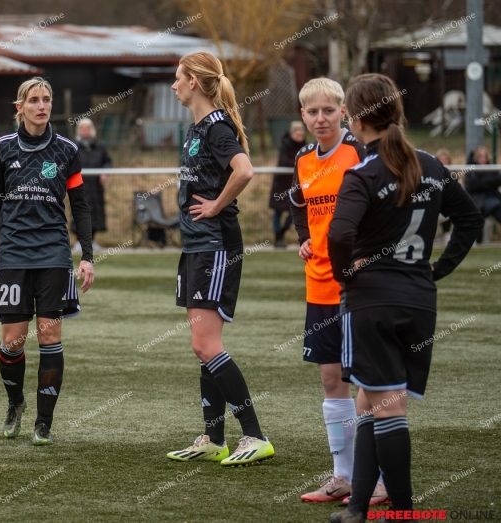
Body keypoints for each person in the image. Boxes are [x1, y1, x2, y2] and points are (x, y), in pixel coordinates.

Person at [329, 74, 483, 523]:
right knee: (369, 401)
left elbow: (340, 233)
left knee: (385, 403)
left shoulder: (362, 172)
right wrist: (436, 270)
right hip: (419, 300)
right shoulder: (432, 164)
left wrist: (345, 276)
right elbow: (470, 221)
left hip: (373, 300)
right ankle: (358, 507)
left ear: (356, 120)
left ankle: (403, 513)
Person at [0, 77, 95, 446]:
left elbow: (81, 206)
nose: (42, 106)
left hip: (54, 254)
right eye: (34, 100)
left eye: (47, 100)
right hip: (13, 253)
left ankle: (44, 422)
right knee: (13, 341)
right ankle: (15, 404)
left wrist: (87, 255)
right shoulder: (3, 148)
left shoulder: (67, 150)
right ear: (20, 107)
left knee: (49, 335)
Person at [166, 51, 274, 467]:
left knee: (205, 343)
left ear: (194, 81)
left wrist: (215, 206)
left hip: (215, 245)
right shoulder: (196, 127)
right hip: (197, 246)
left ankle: (255, 435)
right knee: (202, 347)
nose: (174, 84)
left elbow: (244, 170)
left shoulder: (215, 126)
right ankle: (214, 438)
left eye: (178, 77)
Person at [288, 79, 380, 504]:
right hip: (318, 283)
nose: (320, 118)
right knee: (330, 379)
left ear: (345, 112)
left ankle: (376, 479)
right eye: (312, 112)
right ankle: (342, 476)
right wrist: (304, 235)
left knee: (367, 383)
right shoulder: (303, 158)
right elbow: (298, 203)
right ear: (303, 116)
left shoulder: (359, 153)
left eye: (328, 110)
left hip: (357, 285)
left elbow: (382, 205)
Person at [73, 118, 111, 253]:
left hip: (95, 187)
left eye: (87, 128)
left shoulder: (100, 146)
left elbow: (107, 161)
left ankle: (91, 241)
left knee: (95, 212)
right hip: (79, 186)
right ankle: (79, 241)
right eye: (82, 128)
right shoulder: (74, 146)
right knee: (79, 211)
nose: (85, 131)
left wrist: (104, 172)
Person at [270, 121, 306, 248]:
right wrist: (299, 163)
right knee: (278, 211)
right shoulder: (284, 145)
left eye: (301, 134)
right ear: (292, 133)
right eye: (297, 134)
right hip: (281, 183)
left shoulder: (305, 146)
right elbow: (285, 161)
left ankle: (281, 233)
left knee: (293, 212)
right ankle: (277, 238)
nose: (299, 136)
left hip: (295, 184)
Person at [465, 145, 501, 242]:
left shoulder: (492, 168)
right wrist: (489, 182)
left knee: (496, 206)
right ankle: (477, 241)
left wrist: (481, 182)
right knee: (477, 214)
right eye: (480, 156)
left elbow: (498, 180)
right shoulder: (470, 169)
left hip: (493, 199)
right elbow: (472, 185)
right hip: (476, 201)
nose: (483, 158)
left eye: (485, 156)